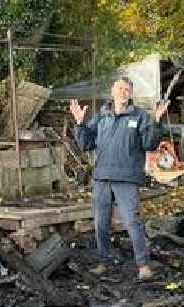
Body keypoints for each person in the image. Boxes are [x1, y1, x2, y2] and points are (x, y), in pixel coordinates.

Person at [69, 76, 169, 280]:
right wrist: (79, 123)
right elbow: (86, 143)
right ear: (113, 93)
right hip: (102, 177)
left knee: (132, 221)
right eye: (120, 89)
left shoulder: (140, 116)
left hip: (127, 178)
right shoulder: (103, 115)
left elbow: (150, 144)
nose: (123, 92)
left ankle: (143, 266)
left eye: (127, 89)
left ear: (130, 94)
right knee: (101, 223)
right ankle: (105, 261)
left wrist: (157, 122)